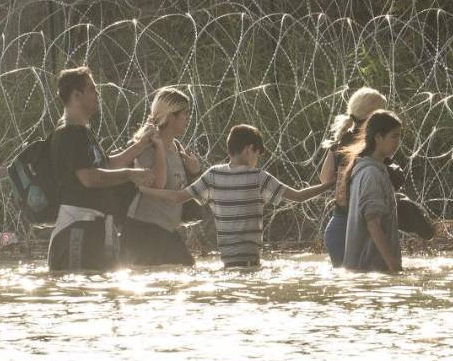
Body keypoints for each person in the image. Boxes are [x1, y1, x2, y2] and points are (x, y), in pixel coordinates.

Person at [138, 123, 331, 269]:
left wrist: (145, 190)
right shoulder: (258, 177)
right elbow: (298, 196)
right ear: (249, 150)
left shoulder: (214, 174)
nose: (257, 160)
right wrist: (328, 185)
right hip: (250, 260)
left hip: (227, 261)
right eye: (257, 154)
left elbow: (178, 196)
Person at [47, 66, 156, 273]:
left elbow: (107, 165)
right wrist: (132, 175)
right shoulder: (69, 133)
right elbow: (90, 178)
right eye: (92, 89)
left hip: (93, 229)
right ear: (77, 95)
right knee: (80, 293)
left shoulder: (83, 132)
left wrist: (140, 145)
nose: (98, 94)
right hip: (76, 230)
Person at [120, 86, 201, 268]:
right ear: (171, 116)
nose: (187, 118)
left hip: (167, 230)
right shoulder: (146, 146)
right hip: (144, 230)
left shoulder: (178, 148)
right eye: (184, 113)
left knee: (187, 271)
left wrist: (194, 171)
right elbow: (158, 184)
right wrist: (159, 148)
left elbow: (184, 192)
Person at [318, 87, 386, 264]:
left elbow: (325, 179)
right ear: (375, 116)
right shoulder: (374, 143)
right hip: (362, 227)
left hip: (337, 226)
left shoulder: (340, 141)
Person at [339, 111, 405, 273]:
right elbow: (373, 224)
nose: (398, 142)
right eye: (394, 136)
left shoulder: (370, 170)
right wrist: (393, 264)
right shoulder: (371, 174)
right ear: (378, 138)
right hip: (371, 269)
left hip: (365, 269)